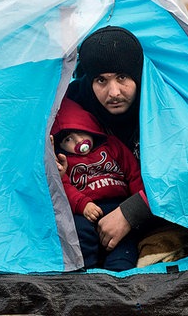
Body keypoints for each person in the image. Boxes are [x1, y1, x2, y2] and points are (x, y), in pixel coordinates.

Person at [58, 25, 163, 253]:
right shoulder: (73, 107)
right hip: (87, 210)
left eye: (122, 77)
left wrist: (132, 212)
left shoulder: (161, 107)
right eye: (101, 81)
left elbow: (182, 173)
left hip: (144, 206)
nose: (113, 92)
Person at [51, 97, 145, 271]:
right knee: (79, 233)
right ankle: (88, 272)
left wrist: (136, 204)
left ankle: (120, 270)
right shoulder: (63, 160)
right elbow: (64, 186)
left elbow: (133, 174)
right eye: (68, 139)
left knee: (125, 242)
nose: (78, 141)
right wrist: (82, 204)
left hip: (118, 206)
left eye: (82, 133)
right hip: (85, 209)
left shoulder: (112, 146)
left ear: (92, 129)